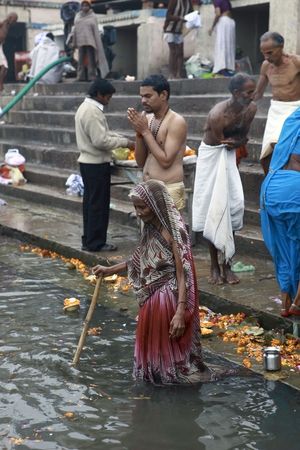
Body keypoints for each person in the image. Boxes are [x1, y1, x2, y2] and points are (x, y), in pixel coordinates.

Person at [93, 179, 215, 384]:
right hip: (150, 298)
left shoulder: (176, 232)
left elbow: (183, 272)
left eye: (142, 207)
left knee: (168, 355)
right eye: (135, 208)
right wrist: (108, 270)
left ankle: (170, 393)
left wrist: (180, 312)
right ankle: (154, 380)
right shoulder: (149, 228)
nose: (139, 212)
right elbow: (138, 259)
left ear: (156, 204)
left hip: (167, 297)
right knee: (152, 352)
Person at [192, 73, 257, 285]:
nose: (252, 95)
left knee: (233, 207)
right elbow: (220, 141)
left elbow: (243, 138)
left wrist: (236, 144)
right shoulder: (218, 114)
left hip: (229, 155)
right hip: (211, 156)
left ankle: (227, 262)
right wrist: (230, 143)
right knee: (213, 208)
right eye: (248, 92)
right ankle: (214, 264)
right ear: (236, 93)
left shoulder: (251, 109)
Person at [75, 78, 135, 252]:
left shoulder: (84, 108)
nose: (108, 101)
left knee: (91, 203)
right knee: (98, 205)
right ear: (99, 95)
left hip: (88, 163)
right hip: (95, 164)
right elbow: (100, 140)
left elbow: (103, 134)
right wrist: (126, 143)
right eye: (107, 97)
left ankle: (89, 240)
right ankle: (96, 242)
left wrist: (120, 138)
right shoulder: (92, 111)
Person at [260, 107, 300, 317]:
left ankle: (286, 301)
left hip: (269, 191)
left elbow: (265, 156)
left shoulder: (292, 119)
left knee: (285, 252)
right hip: (294, 192)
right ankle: (298, 302)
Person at [127, 74, 187, 211]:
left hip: (168, 189)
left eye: (148, 96)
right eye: (141, 96)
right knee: (147, 233)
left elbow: (166, 161)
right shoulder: (147, 119)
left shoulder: (176, 121)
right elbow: (140, 162)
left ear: (163, 95)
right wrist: (139, 133)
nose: (143, 101)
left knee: (166, 233)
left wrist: (145, 131)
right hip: (146, 189)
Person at [254, 31, 300, 175]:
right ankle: (271, 183)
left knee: (292, 152)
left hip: (295, 109)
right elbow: (257, 93)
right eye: (263, 53)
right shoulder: (266, 66)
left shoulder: (296, 62)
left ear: (281, 47)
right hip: (276, 110)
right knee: (267, 153)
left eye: (270, 52)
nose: (267, 57)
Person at [72, 0, 109, 81]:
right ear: (81, 7)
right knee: (80, 61)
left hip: (90, 41)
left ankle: (91, 76)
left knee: (91, 60)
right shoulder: (78, 16)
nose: (85, 7)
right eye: (83, 6)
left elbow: (95, 29)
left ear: (89, 6)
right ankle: (80, 77)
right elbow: (75, 29)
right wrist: (74, 41)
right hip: (80, 41)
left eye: (86, 5)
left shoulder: (93, 16)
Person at [163, 0, 193, 79]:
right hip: (169, 29)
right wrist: (179, 18)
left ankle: (178, 74)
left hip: (179, 30)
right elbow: (168, 16)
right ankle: (171, 74)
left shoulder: (188, 2)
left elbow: (191, 13)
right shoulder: (174, 1)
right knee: (173, 51)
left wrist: (195, 17)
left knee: (180, 52)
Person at [209, 0, 235, 77]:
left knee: (222, 44)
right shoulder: (226, 1)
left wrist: (212, 27)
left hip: (224, 21)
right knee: (228, 44)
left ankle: (222, 68)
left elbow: (218, 13)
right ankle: (225, 68)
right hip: (230, 21)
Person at [0, 12, 18, 92]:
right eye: (14, 20)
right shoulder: (2, 23)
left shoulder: (7, 26)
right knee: (4, 66)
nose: (15, 22)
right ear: (10, 18)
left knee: (5, 67)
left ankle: (0, 83)